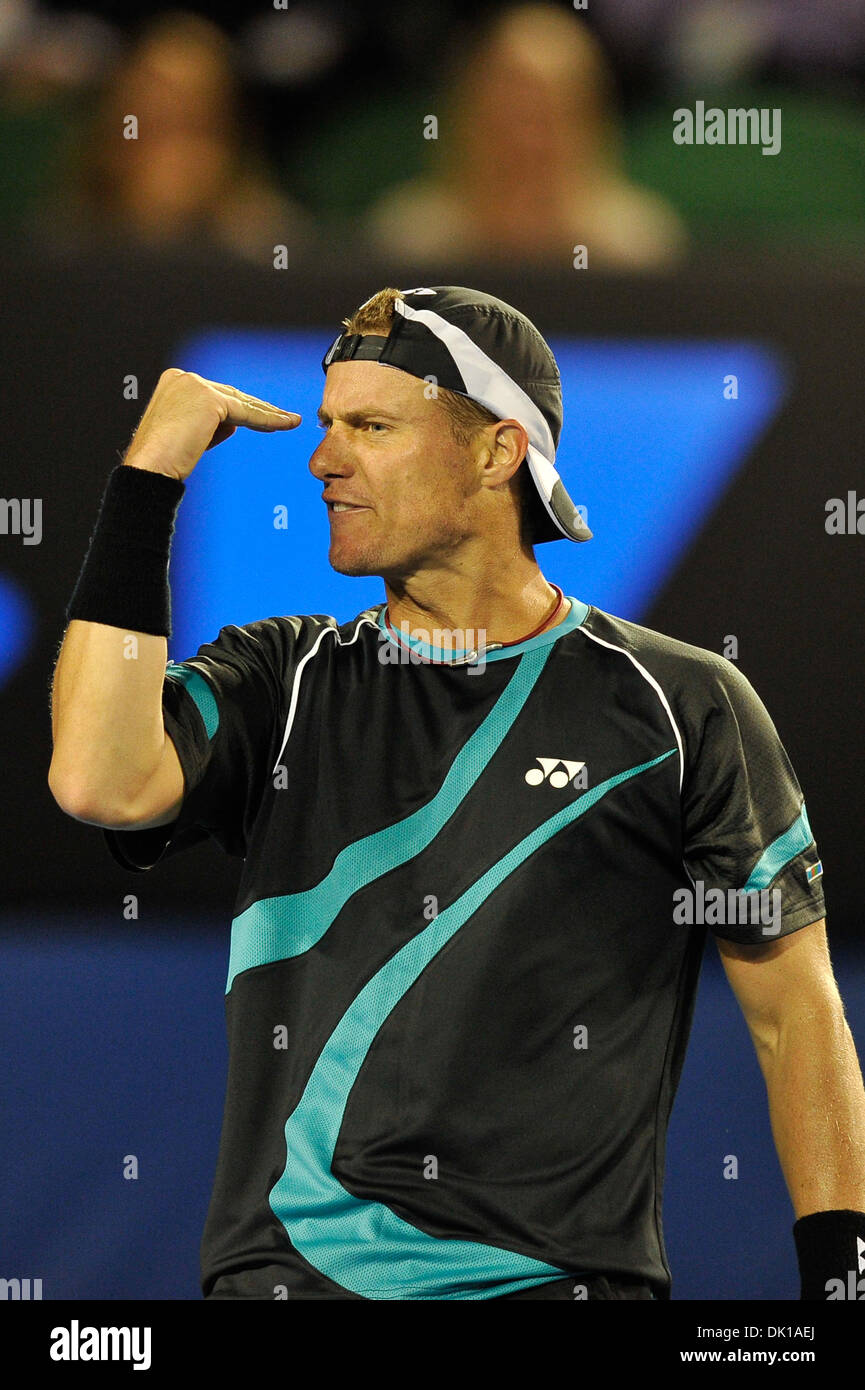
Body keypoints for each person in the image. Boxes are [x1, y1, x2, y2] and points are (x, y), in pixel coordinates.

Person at [49, 285, 864, 1301]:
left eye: (372, 427)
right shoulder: (282, 674)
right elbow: (97, 778)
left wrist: (841, 1280)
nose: (322, 459)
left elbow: (796, 1014)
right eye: (328, 425)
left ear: (497, 452)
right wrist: (146, 478)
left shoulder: (680, 703)